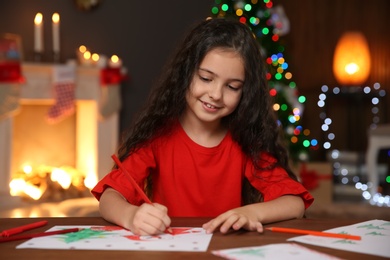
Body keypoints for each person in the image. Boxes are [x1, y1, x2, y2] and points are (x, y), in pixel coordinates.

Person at [91, 18, 314, 236]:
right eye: (206, 78)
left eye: (232, 86)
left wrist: (251, 212)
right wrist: (131, 216)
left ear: (245, 92)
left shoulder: (245, 140)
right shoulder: (157, 137)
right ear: (185, 73)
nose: (216, 95)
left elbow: (295, 203)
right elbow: (109, 199)